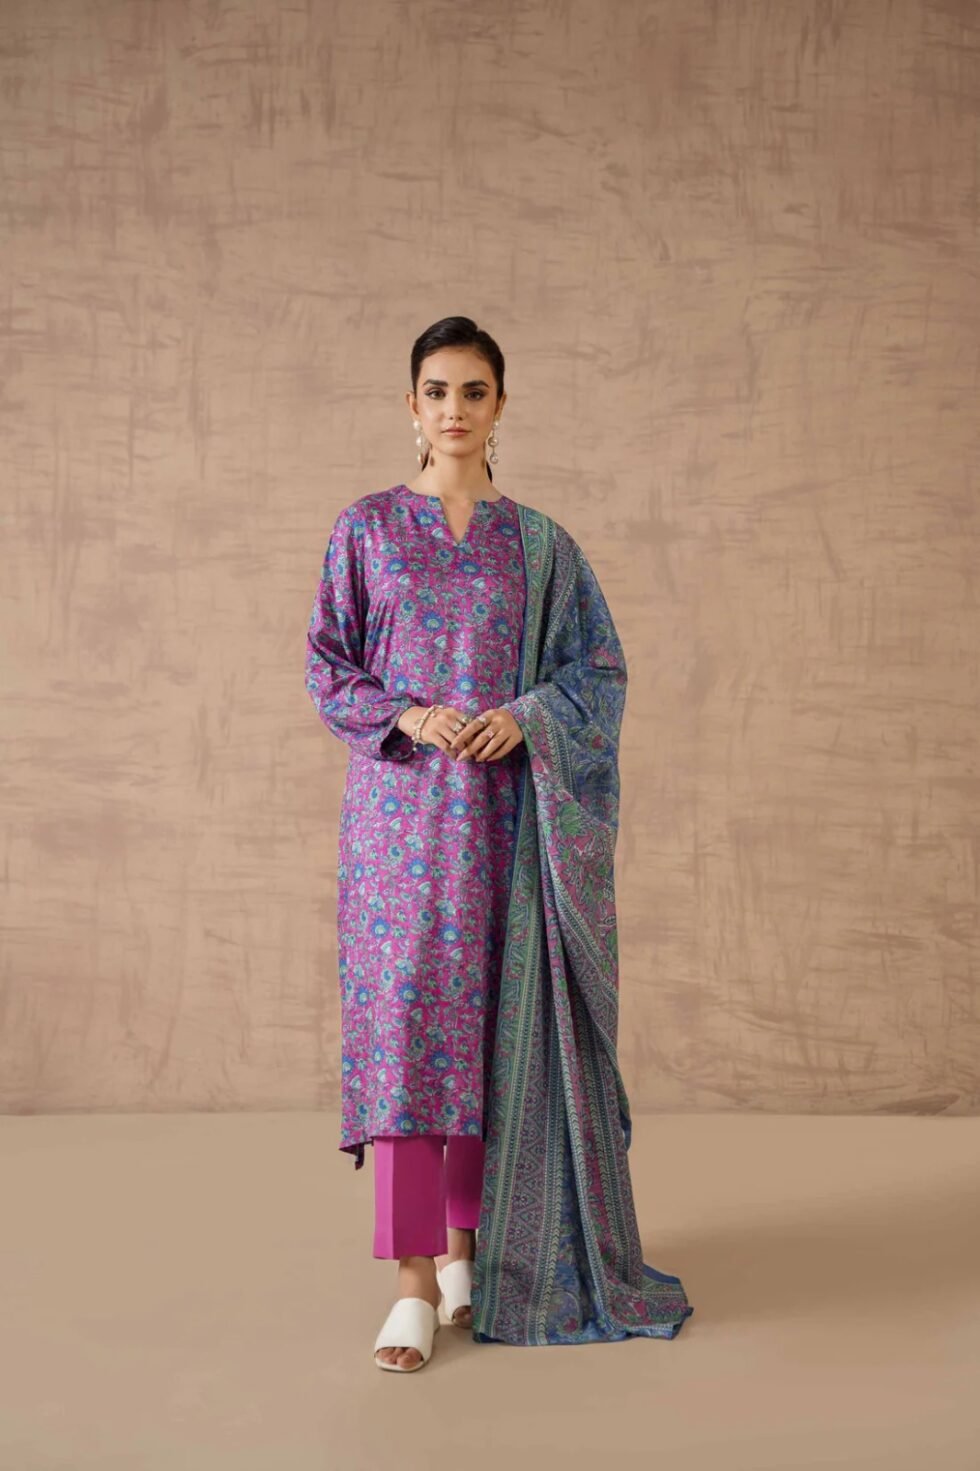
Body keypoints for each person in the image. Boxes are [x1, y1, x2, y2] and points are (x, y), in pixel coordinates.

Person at [305, 316, 694, 1373]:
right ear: (410, 405)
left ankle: (472, 1255)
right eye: (436, 391)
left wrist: (524, 718)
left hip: (509, 827)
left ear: (499, 406)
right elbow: (328, 665)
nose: (454, 410)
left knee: (492, 1034)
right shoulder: (366, 529)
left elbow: (596, 670)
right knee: (405, 1039)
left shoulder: (540, 546)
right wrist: (408, 713)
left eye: (473, 391)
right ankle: (411, 1281)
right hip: (398, 828)